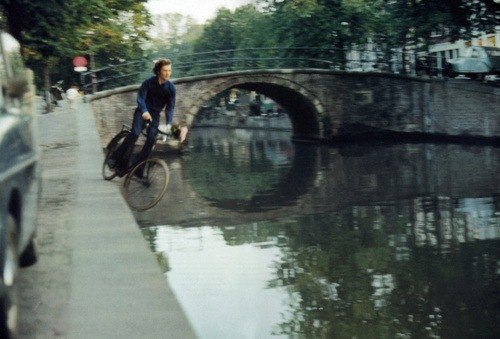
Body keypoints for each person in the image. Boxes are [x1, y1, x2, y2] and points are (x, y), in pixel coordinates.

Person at [108, 58, 177, 175]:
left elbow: (170, 108)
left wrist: (169, 124)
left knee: (151, 139)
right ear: (158, 71)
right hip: (142, 112)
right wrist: (144, 111)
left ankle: (138, 167)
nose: (168, 73)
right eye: (165, 70)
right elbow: (140, 98)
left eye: (169, 70)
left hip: (154, 116)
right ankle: (114, 157)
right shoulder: (148, 83)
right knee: (135, 133)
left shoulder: (171, 88)